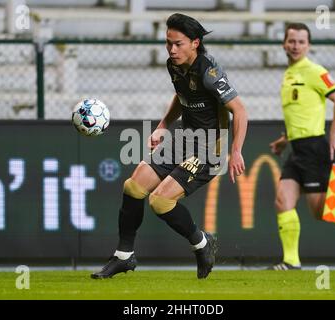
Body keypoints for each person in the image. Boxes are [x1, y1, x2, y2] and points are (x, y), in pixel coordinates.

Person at [91, 13, 248, 279]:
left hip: (209, 149)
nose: (172, 50)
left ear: (195, 43)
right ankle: (124, 256)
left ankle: (202, 243)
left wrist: (235, 151)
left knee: (160, 201)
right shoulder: (174, 65)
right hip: (183, 139)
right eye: (168, 43)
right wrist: (163, 124)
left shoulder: (210, 73)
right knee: (133, 187)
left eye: (178, 44)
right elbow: (181, 95)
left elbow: (240, 111)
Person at [268, 22, 335, 270]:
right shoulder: (289, 74)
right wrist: (284, 140)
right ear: (284, 43)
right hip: (296, 150)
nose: (295, 46)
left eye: (301, 42)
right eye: (292, 41)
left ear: (308, 46)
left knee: (324, 213)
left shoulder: (314, 70)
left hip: (314, 149)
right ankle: (291, 261)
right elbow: (300, 112)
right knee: (282, 202)